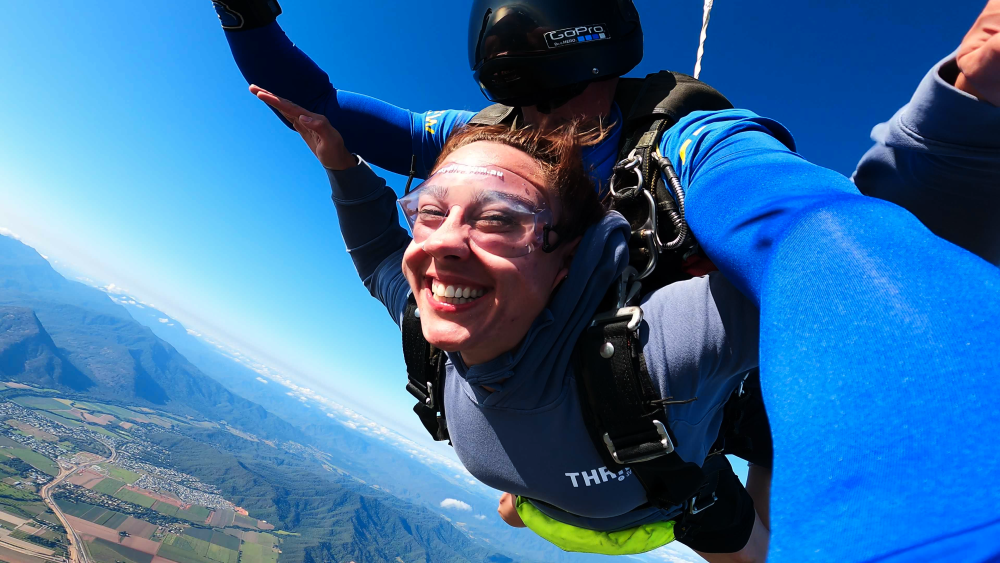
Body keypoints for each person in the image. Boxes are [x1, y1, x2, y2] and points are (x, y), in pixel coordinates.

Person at [258, 91, 772, 560]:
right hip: (542, 498)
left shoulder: (655, 348)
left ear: (568, 260)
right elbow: (378, 258)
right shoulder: (433, 329)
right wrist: (342, 165)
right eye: (432, 212)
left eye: (499, 221)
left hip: (677, 502)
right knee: (521, 503)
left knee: (770, 492)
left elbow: (815, 281)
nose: (443, 242)